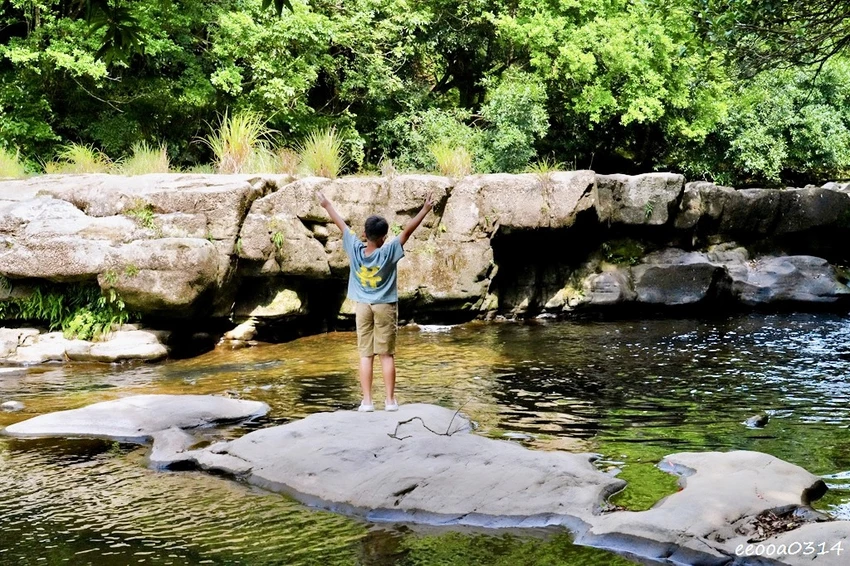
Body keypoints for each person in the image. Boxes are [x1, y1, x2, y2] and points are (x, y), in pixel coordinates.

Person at [317, 190, 434, 412]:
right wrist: (425, 210)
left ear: (364, 233)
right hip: (385, 307)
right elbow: (408, 231)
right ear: (383, 237)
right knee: (386, 354)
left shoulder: (354, 248)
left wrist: (327, 204)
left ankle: (367, 402)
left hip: (362, 306)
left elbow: (341, 224)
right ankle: (390, 401)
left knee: (365, 354)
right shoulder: (388, 251)